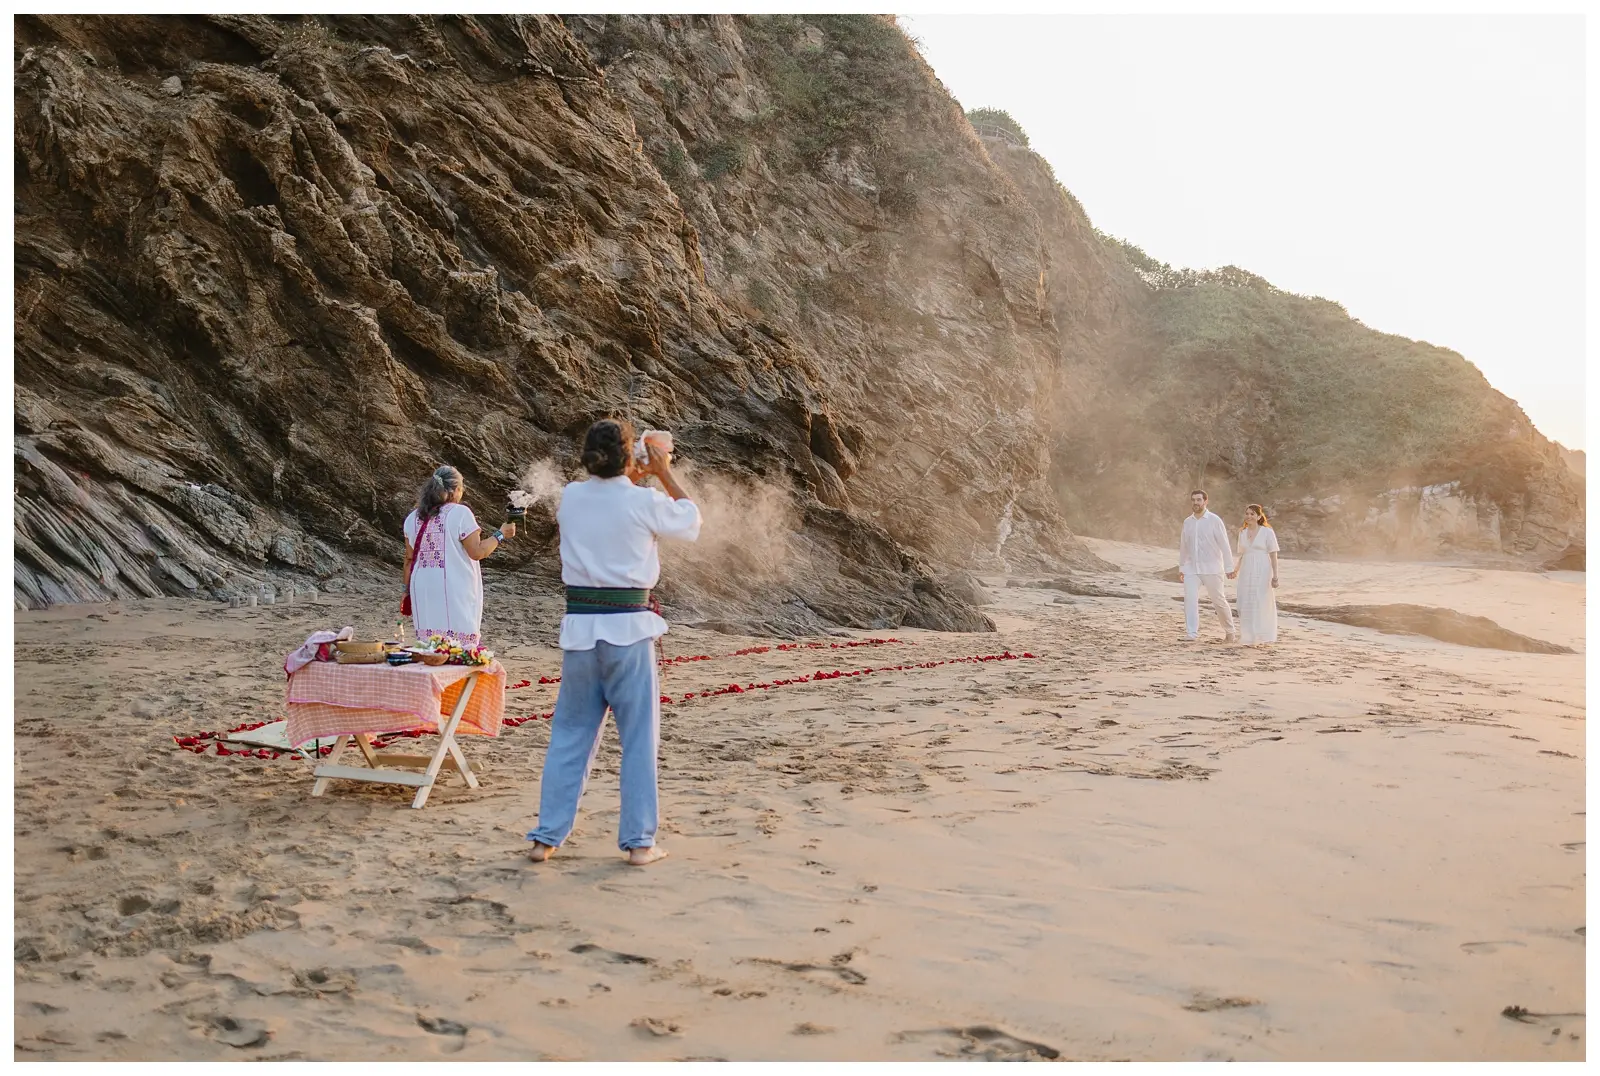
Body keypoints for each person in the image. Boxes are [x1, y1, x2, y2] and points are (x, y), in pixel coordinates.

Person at [527, 419, 701, 867]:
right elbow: (690, 522)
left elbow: (606, 500)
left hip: (581, 632)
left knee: (569, 737)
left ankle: (546, 837)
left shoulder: (570, 497)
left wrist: (631, 475)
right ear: (629, 456)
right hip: (629, 633)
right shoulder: (644, 500)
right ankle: (640, 843)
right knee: (639, 740)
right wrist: (662, 472)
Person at [402, 465, 514, 648]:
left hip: (422, 587)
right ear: (454, 490)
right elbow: (477, 552)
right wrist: (500, 534)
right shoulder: (460, 513)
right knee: (460, 645)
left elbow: (408, 560)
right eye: (461, 488)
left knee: (431, 645)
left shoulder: (412, 518)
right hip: (453, 587)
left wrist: (406, 591)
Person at [1178, 489, 1236, 643]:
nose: (1196, 503)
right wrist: (1182, 567)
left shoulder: (1214, 520)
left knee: (1218, 600)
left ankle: (1230, 631)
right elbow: (1184, 546)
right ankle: (1191, 633)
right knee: (1190, 599)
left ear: (1205, 501)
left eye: (1199, 500)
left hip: (1212, 568)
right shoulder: (1187, 522)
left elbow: (1224, 545)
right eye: (1193, 500)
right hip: (1192, 568)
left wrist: (1229, 568)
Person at [1231, 503, 1280, 645]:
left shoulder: (1267, 532)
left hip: (1262, 568)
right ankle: (1248, 635)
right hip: (1247, 568)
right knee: (1245, 600)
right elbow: (1242, 554)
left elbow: (1273, 555)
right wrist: (1236, 569)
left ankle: (1263, 635)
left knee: (1260, 599)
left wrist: (1275, 576)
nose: (1249, 516)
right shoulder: (1242, 533)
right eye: (1247, 513)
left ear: (1259, 516)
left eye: (1252, 514)